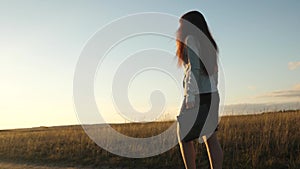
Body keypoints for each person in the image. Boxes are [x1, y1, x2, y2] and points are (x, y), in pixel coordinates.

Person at [176, 11, 223, 169]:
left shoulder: (191, 39)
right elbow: (214, 73)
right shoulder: (208, 43)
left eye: (182, 25)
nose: (179, 29)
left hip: (197, 96)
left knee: (184, 137)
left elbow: (193, 70)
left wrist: (190, 97)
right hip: (212, 94)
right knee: (211, 139)